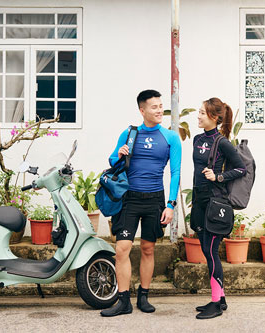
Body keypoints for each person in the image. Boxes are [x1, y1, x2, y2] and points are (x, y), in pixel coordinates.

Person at [100, 89, 182, 317]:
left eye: (160, 106)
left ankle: (143, 296)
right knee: (121, 248)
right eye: (154, 107)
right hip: (129, 198)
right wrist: (121, 153)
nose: (159, 111)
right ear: (142, 110)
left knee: (148, 248)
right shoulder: (129, 134)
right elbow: (113, 160)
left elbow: (175, 172)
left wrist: (171, 204)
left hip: (154, 199)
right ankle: (123, 300)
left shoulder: (171, 137)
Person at [190, 97, 246, 320]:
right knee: (205, 249)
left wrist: (219, 175)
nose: (198, 116)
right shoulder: (196, 139)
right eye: (199, 112)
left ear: (213, 117)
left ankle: (215, 302)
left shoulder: (222, 142)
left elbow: (241, 169)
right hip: (200, 200)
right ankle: (220, 298)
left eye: (202, 113)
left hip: (215, 202)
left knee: (211, 252)